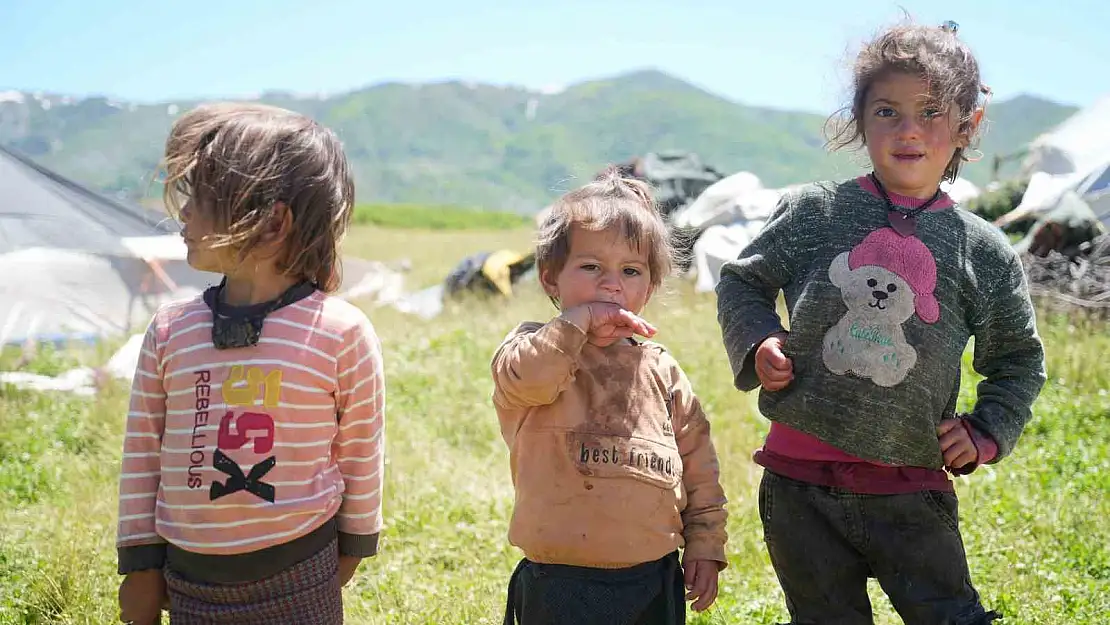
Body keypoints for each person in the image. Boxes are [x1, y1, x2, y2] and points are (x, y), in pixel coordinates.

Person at [715, 20, 1047, 625]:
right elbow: (743, 280)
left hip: (910, 484)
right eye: (887, 110)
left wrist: (986, 430)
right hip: (798, 482)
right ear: (860, 119)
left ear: (968, 125)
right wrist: (760, 336)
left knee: (948, 615)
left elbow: (1018, 359)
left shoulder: (982, 250)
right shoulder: (815, 211)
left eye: (931, 111)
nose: (908, 129)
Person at [115, 103, 386, 625]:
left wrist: (352, 547)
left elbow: (361, 451)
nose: (184, 214)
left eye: (201, 197)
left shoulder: (339, 332)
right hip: (188, 580)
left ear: (272, 223)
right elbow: (142, 453)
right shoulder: (172, 331)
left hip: (300, 570)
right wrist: (140, 565)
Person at [492, 170, 729, 625]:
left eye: (630, 271)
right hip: (558, 581)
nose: (611, 284)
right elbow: (526, 380)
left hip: (651, 578)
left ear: (650, 287)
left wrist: (704, 543)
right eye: (591, 267)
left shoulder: (661, 369)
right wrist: (576, 325)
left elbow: (699, 467)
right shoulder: (533, 349)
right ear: (550, 279)